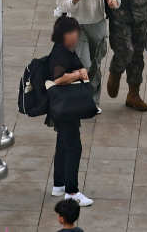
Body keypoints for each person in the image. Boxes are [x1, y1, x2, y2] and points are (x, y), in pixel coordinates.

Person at [58, 0, 119, 106]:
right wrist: (74, 1)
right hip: (77, 26)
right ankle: (81, 99)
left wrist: (113, 1)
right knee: (83, 64)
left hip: (98, 24)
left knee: (95, 65)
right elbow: (61, 3)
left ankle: (94, 101)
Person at [47, 16, 93, 206]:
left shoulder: (66, 50)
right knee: (74, 147)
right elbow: (58, 78)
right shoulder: (60, 53)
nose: (77, 36)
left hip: (64, 106)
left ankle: (59, 184)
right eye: (74, 32)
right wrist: (77, 74)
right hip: (64, 107)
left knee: (63, 145)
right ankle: (72, 192)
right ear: (66, 34)